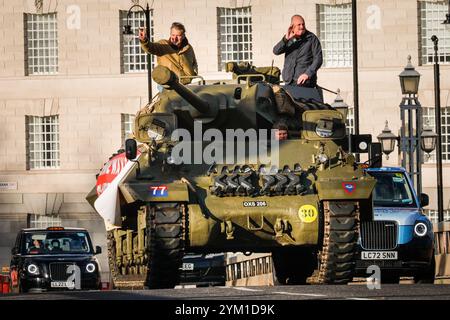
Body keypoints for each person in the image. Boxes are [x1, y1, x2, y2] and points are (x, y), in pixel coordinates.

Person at [273, 15, 323, 96]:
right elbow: (276, 51)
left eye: (303, 24)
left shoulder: (312, 38)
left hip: (305, 83)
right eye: (299, 25)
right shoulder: (288, 38)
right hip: (289, 82)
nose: (302, 27)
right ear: (292, 26)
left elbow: (318, 59)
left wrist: (307, 74)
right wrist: (286, 39)